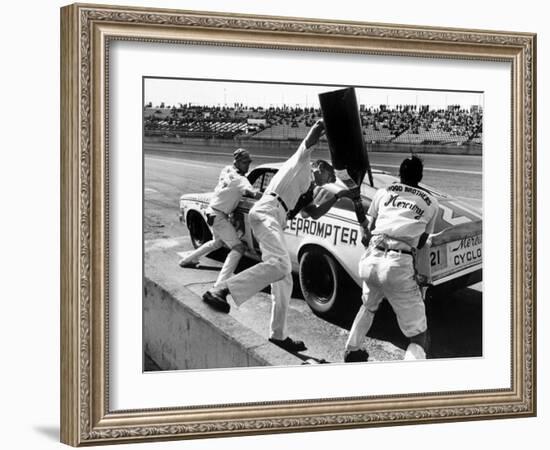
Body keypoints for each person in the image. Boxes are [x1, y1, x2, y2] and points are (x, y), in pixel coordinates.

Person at [202, 120, 352, 352]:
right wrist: (327, 123)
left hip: (274, 219)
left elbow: (314, 213)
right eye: (329, 176)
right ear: (319, 167)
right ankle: (221, 290)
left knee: (284, 280)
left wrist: (337, 197)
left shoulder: (308, 190)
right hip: (267, 210)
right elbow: (314, 131)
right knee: (281, 265)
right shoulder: (301, 162)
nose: (329, 181)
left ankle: (278, 335)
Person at [344, 155, 439, 362]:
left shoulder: (382, 193)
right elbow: (421, 242)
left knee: (368, 306)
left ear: (400, 174)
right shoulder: (432, 202)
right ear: (420, 176)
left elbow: (368, 230)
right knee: (419, 334)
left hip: (371, 259)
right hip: (397, 264)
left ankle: (352, 350)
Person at [179, 148, 259, 289]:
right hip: (218, 216)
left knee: (216, 243)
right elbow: (252, 192)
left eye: (249, 162)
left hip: (211, 211)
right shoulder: (241, 180)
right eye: (246, 162)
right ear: (238, 162)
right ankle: (220, 284)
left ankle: (186, 260)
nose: (248, 166)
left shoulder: (227, 169)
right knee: (238, 248)